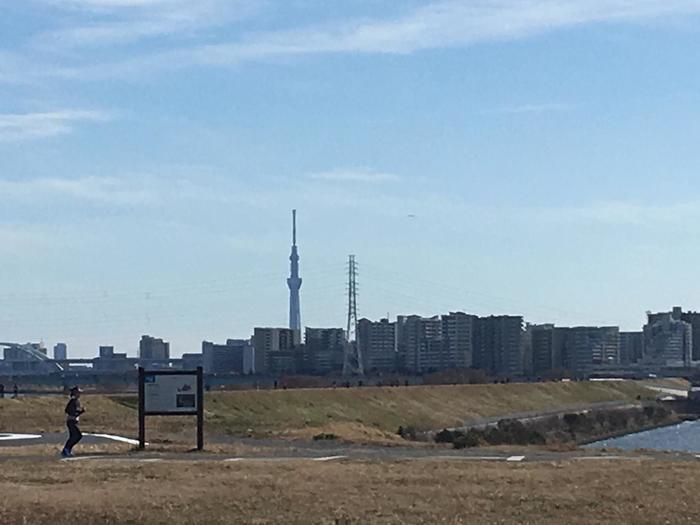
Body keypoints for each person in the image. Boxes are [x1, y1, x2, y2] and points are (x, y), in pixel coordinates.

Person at [61, 386, 85, 458]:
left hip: (73, 421)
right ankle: (66, 449)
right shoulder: (73, 401)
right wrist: (77, 412)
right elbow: (68, 410)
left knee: (74, 436)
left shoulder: (76, 401)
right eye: (78, 393)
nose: (80, 394)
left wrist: (79, 412)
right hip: (71, 421)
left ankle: (67, 449)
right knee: (77, 435)